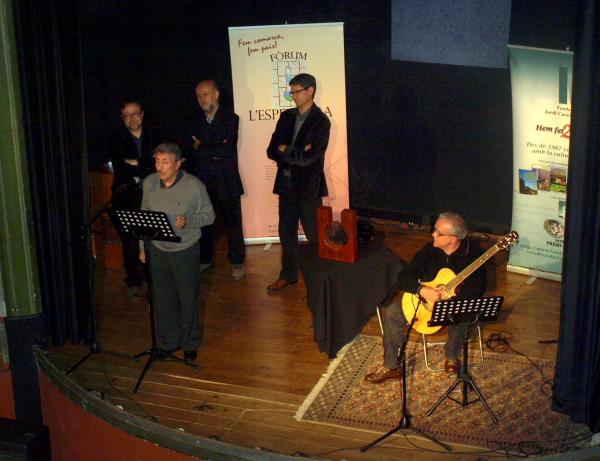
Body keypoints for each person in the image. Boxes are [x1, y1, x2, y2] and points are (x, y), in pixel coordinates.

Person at [365, 212, 487, 383]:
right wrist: (422, 290)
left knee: (462, 315)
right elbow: (404, 277)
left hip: (453, 303)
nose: (433, 234)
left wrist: (451, 300)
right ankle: (391, 366)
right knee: (393, 312)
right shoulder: (430, 250)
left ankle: (452, 356)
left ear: (453, 238)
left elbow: (479, 288)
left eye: (438, 232)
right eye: (434, 230)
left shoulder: (474, 255)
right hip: (424, 301)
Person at [139, 143, 215, 361]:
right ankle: (167, 343)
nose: (160, 167)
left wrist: (189, 221)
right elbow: (144, 216)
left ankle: (190, 343)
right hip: (158, 249)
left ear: (178, 164)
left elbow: (209, 216)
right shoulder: (150, 183)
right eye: (157, 161)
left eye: (165, 162)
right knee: (163, 299)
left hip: (185, 249)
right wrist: (143, 247)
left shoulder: (194, 185)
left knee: (187, 298)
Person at [266, 73, 331, 291]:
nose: (293, 96)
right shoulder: (286, 117)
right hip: (285, 185)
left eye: (296, 92)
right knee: (286, 232)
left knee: (314, 234)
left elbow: (310, 158)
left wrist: (287, 151)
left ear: (310, 91)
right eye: (291, 92)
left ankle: (319, 278)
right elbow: (271, 150)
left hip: (308, 187)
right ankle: (288, 274)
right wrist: (295, 152)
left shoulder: (321, 122)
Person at [182, 80, 246, 280]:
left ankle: (237, 262)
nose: (202, 99)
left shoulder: (231, 118)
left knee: (232, 223)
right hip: (202, 181)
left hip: (227, 180)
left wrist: (201, 147)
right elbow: (189, 150)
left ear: (216, 94)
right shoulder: (192, 120)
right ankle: (205, 260)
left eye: (206, 95)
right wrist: (214, 149)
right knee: (204, 223)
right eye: (199, 96)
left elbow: (226, 150)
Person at [108, 100, 161, 296]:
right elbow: (122, 166)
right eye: (127, 115)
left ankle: (152, 277)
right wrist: (147, 163)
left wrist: (137, 163)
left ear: (142, 113)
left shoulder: (155, 133)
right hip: (126, 194)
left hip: (152, 193)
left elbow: (160, 162)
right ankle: (133, 280)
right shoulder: (115, 138)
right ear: (122, 118)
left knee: (152, 237)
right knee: (129, 240)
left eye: (135, 113)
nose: (131, 118)